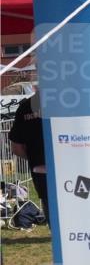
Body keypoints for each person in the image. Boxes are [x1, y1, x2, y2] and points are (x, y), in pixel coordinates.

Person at [8, 91, 48, 223]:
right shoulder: (74, 99)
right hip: (78, 171)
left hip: (42, 173)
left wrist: (34, 159)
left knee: (55, 220)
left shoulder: (26, 106)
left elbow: (16, 148)